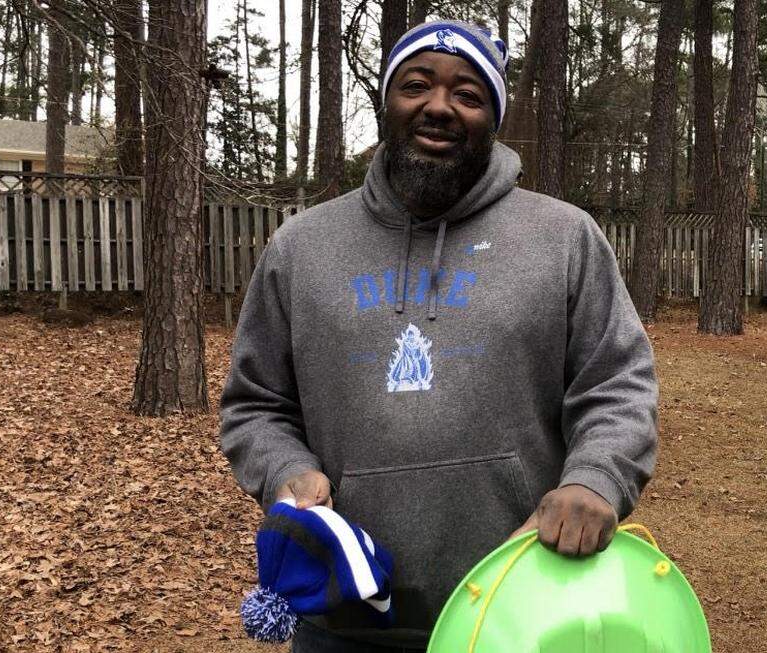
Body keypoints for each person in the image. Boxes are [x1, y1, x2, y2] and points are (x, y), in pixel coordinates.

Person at [220, 19, 658, 652]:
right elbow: (256, 403)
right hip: (344, 617)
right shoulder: (301, 249)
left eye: (468, 94)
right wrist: (286, 469)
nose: (439, 106)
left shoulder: (564, 238)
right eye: (417, 85)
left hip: (521, 609)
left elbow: (618, 384)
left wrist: (595, 478)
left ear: (492, 118)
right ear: (386, 102)